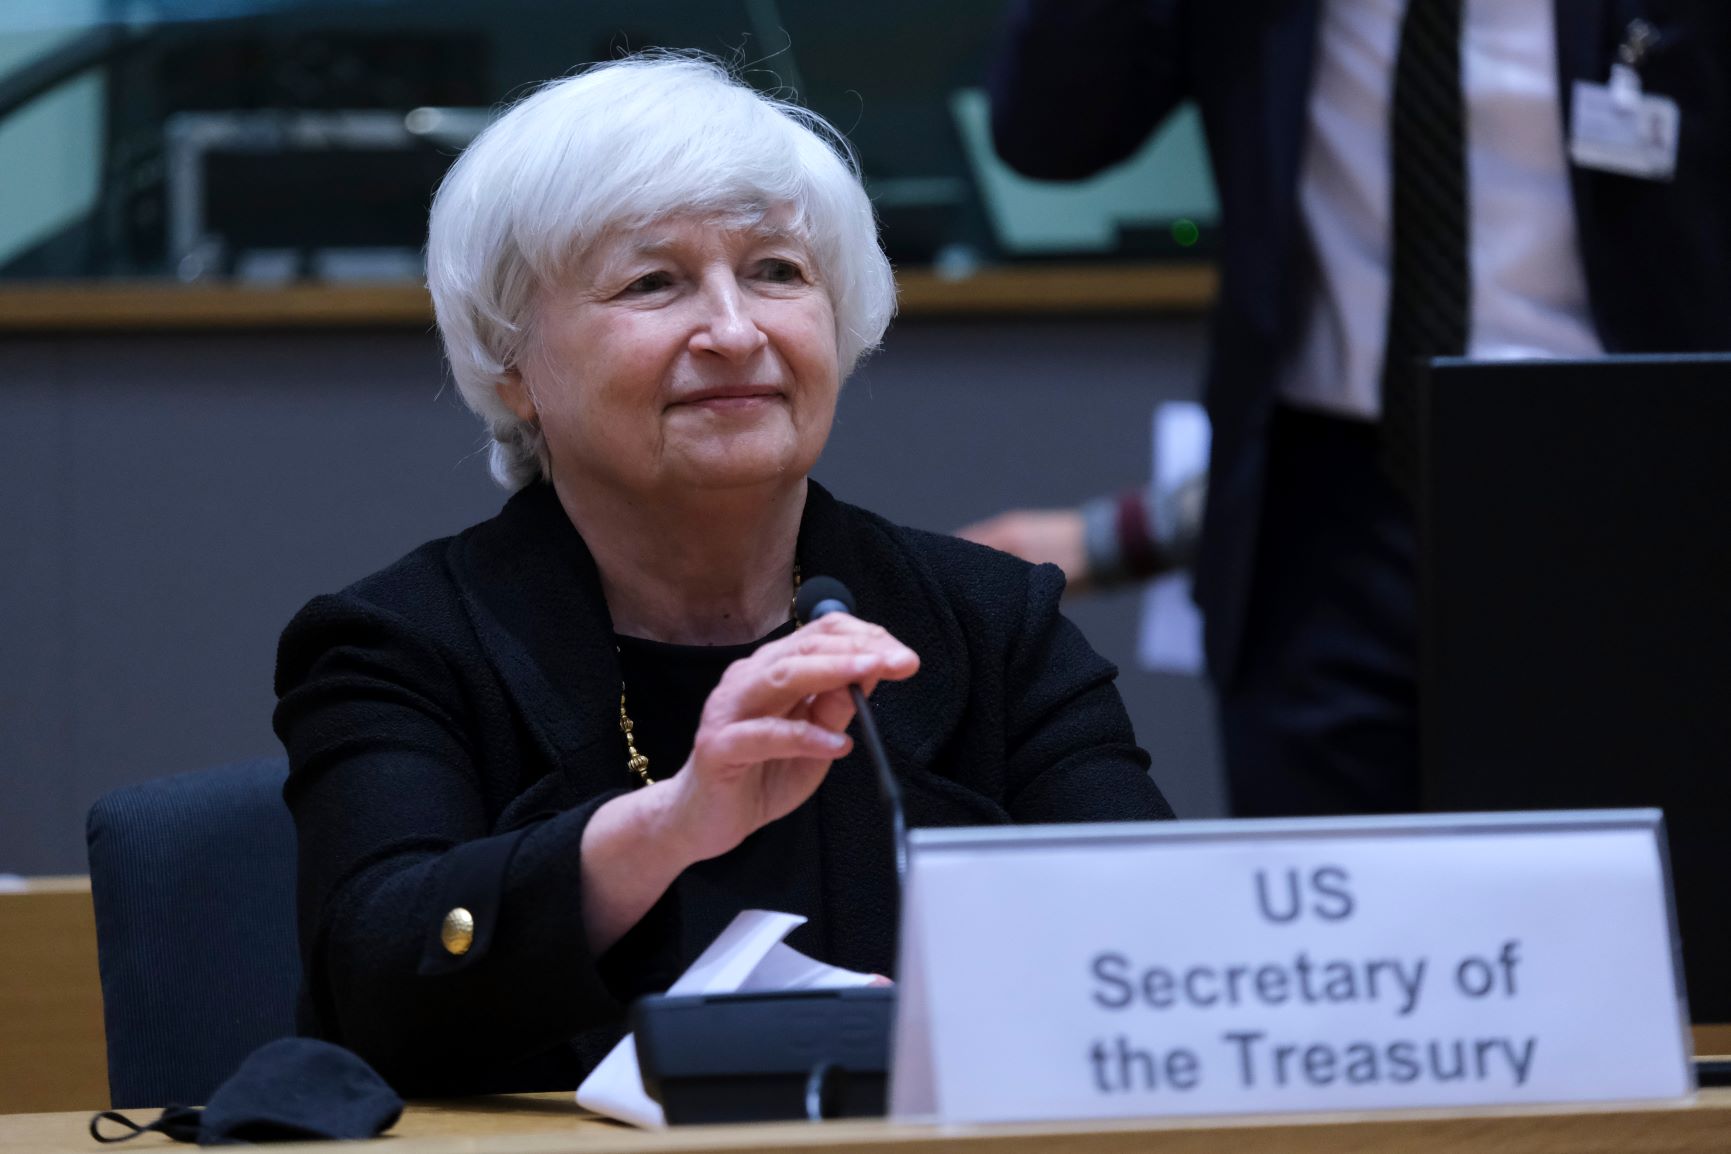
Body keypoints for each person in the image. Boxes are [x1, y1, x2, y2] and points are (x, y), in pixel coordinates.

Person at [272, 53, 1173, 1098]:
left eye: (777, 272)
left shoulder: (989, 622)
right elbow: (376, 990)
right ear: (514, 363)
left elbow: (1151, 951)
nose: (736, 331)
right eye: (654, 282)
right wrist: (674, 820)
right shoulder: (401, 644)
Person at [969, 0, 1731, 817]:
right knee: (1329, 905)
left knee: (1630, 894)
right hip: (1324, 516)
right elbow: (1044, 135)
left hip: (1623, 478)